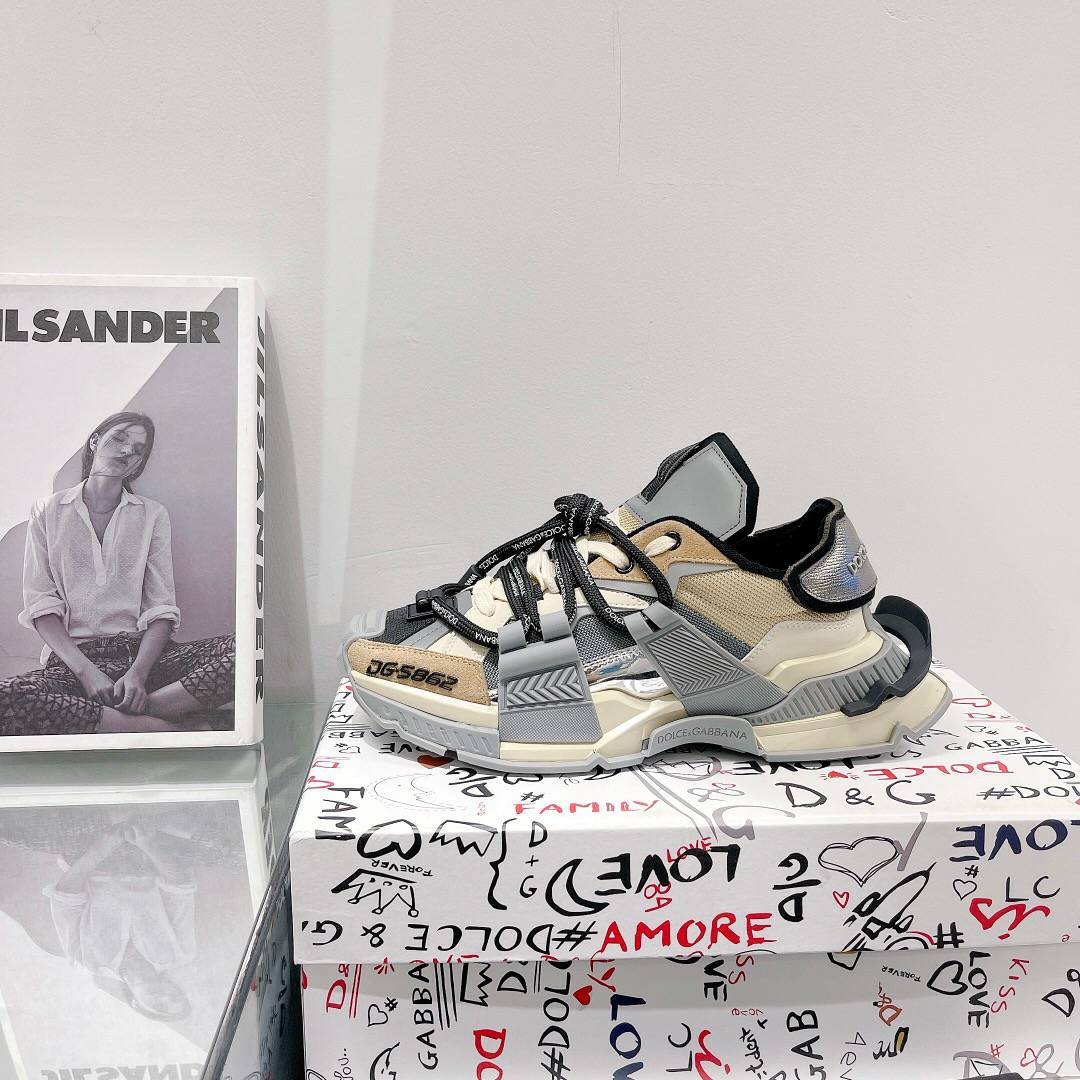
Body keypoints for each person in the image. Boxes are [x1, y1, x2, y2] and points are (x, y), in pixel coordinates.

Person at [0, 411, 235, 735]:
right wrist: (87, 674)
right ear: (95, 441)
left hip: (146, 660)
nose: (127, 451)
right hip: (74, 665)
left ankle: (138, 715)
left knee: (250, 652)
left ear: (138, 464)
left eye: (138, 450)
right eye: (120, 438)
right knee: (5, 698)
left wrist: (138, 674)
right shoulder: (47, 511)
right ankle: (168, 729)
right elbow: (41, 606)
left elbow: (161, 610)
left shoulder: (151, 515)